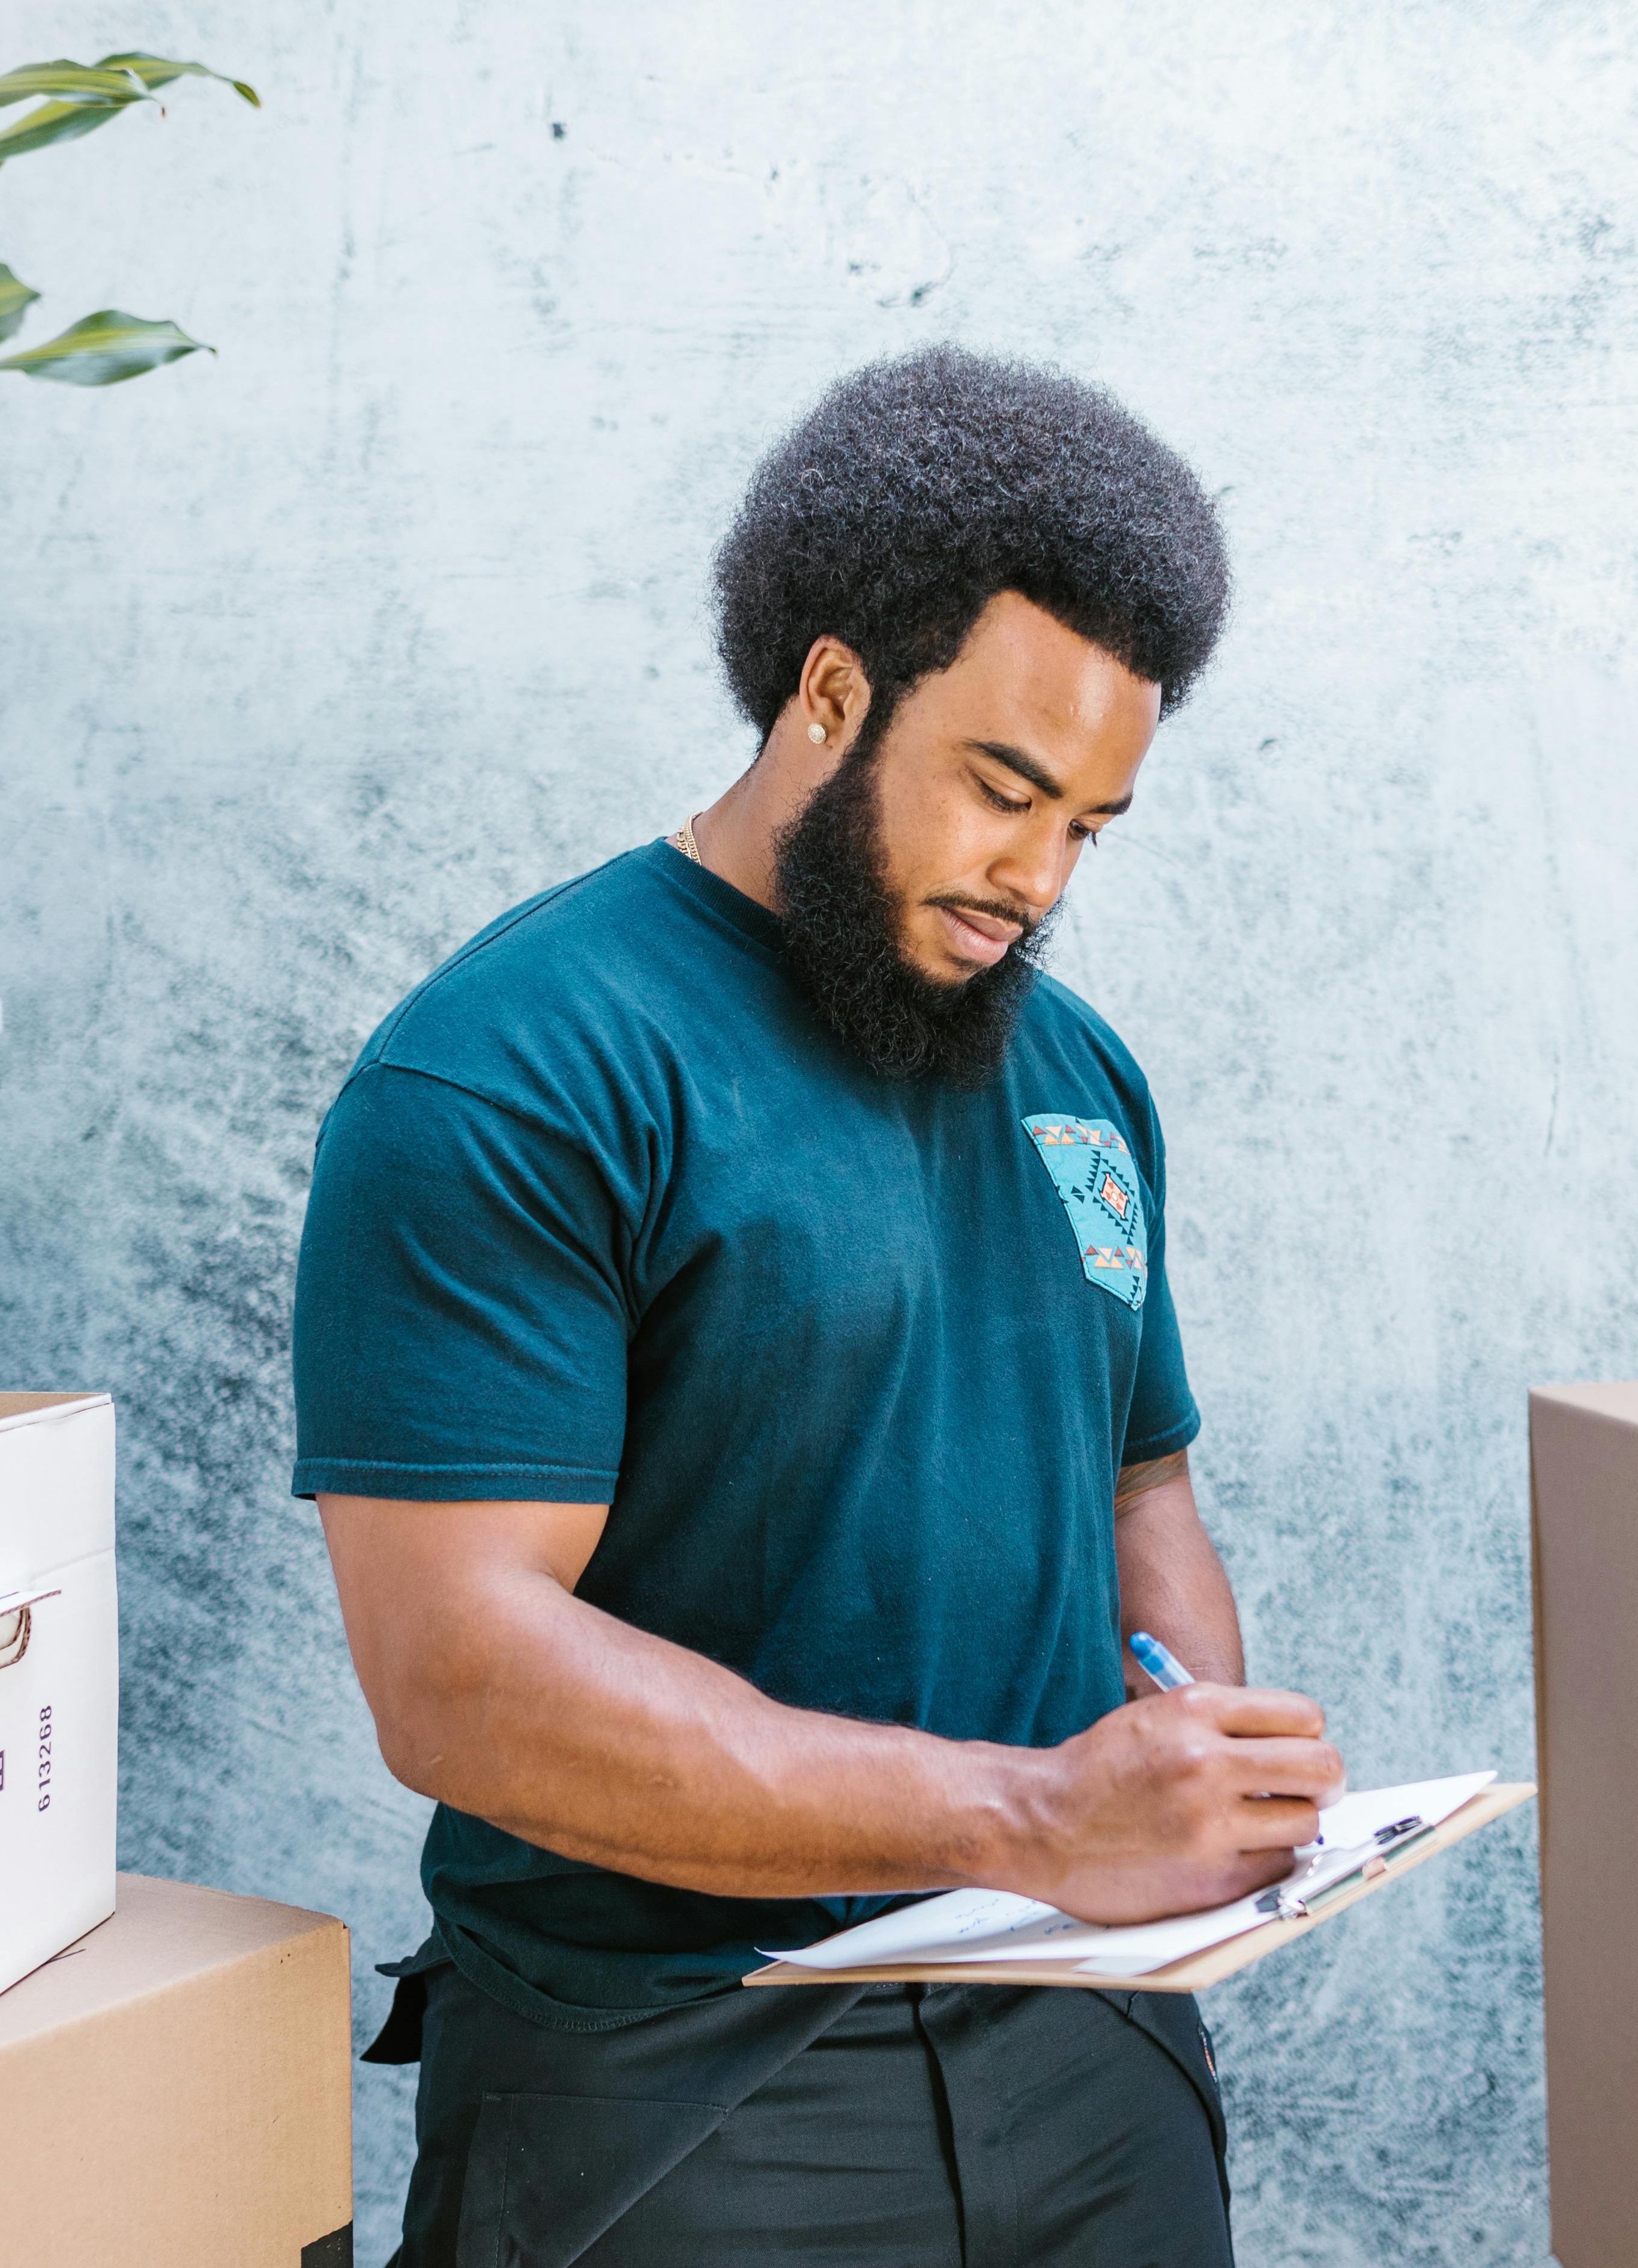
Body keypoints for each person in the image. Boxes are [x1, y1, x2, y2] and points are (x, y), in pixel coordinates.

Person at [293, 344, 1334, 2267]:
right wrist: (1035, 1814)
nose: (1037, 876)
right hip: (679, 2079)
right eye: (1004, 789)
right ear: (831, 693)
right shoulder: (514, 1067)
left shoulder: (1081, 1078)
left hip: (1093, 2048)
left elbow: (1139, 1491)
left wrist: (1204, 1762)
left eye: (1090, 824)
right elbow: (455, 1672)